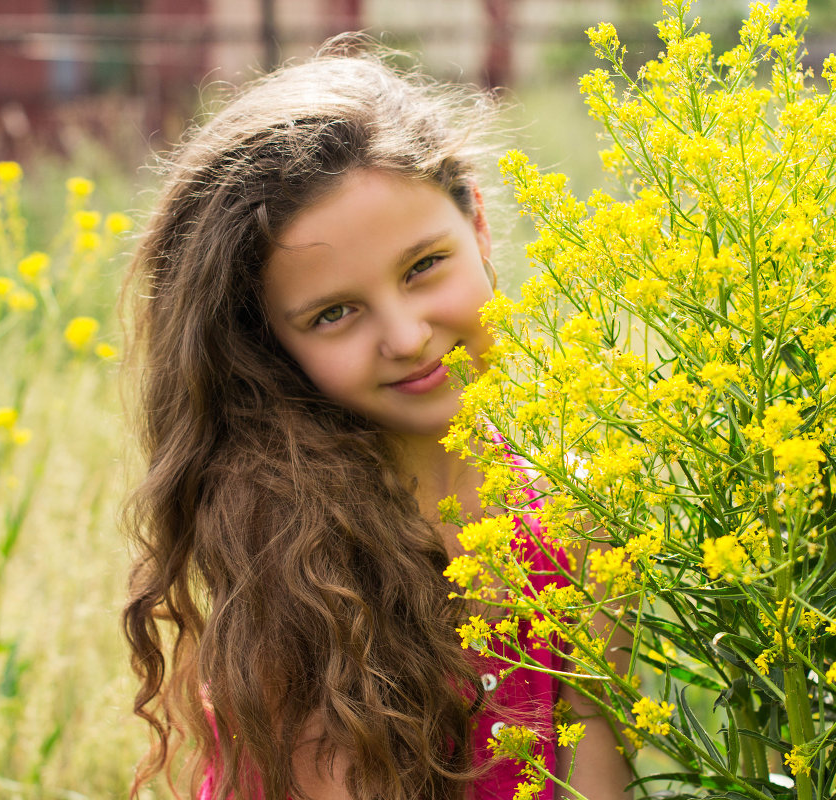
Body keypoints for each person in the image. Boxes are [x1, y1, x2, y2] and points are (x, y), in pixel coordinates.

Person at [120, 39, 633, 800]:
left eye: (424, 266)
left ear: (479, 226)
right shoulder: (299, 563)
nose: (405, 336)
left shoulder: (577, 517)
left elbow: (597, 769)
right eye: (334, 314)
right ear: (272, 346)